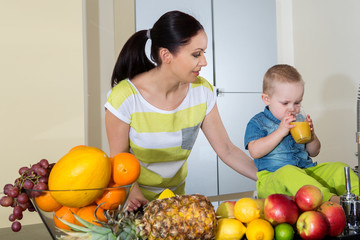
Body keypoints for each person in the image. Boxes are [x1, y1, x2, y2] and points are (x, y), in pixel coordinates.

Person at [104, 10, 258, 211]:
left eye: (204, 53)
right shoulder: (124, 98)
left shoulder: (202, 92)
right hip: (133, 204)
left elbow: (227, 150)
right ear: (166, 55)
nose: (204, 62)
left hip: (175, 203)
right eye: (196, 54)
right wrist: (133, 193)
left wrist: (267, 175)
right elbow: (119, 161)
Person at [244, 64, 359, 203]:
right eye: (285, 103)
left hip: (306, 171)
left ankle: (356, 199)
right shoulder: (258, 122)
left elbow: (314, 152)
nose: (292, 109)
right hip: (274, 179)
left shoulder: (299, 120)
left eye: (297, 102)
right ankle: (330, 200)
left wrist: (311, 136)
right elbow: (255, 151)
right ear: (267, 99)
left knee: (339, 168)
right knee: (288, 172)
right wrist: (280, 131)